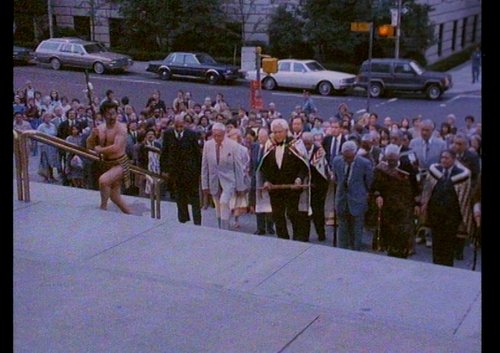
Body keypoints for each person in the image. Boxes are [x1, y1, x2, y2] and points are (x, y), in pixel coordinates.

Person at [258, 119, 310, 242]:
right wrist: (265, 181)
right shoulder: (269, 145)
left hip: (292, 187)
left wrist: (299, 179)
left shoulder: (296, 144)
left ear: (287, 131)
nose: (277, 135)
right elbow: (262, 167)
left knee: (293, 214)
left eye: (280, 132)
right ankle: (282, 240)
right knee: (277, 215)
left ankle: (298, 239)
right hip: (275, 188)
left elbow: (304, 166)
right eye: (275, 132)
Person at [420, 150, 471, 267]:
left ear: (453, 160)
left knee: (448, 246)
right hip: (436, 215)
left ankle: (447, 268)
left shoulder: (461, 174)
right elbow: (428, 190)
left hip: (451, 217)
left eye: (447, 158)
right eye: (442, 157)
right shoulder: (435, 171)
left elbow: (464, 198)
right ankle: (435, 266)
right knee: (436, 244)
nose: (443, 160)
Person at [371, 144, 418, 258]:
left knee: (403, 233)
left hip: (405, 206)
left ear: (398, 158)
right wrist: (378, 196)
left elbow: (415, 186)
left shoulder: (407, 167)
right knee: (389, 234)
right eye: (389, 159)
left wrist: (417, 203)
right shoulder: (381, 169)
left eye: (393, 160)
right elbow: (375, 186)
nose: (391, 162)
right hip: (388, 207)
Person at [86, 101, 132, 214]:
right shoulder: (100, 128)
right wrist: (92, 136)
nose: (111, 117)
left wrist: (100, 150)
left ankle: (103, 208)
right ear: (103, 115)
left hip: (120, 163)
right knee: (115, 197)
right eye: (108, 114)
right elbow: (89, 146)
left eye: (113, 113)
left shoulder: (121, 128)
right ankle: (130, 214)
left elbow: (116, 147)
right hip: (106, 164)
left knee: (103, 181)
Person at [201, 122, 247, 230]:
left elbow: (239, 167)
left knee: (224, 202)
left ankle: (225, 228)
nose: (217, 138)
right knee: (217, 205)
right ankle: (220, 227)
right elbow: (204, 167)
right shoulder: (207, 145)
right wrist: (204, 185)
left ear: (224, 134)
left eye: (219, 135)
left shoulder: (233, 145)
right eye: (215, 135)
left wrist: (240, 187)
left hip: (229, 180)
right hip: (214, 180)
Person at [331, 140, 373, 250]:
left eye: (350, 158)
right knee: (342, 228)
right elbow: (335, 178)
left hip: (358, 200)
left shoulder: (365, 163)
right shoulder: (336, 161)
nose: (347, 160)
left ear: (355, 153)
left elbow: (369, 182)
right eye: (345, 157)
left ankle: (356, 251)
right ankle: (342, 251)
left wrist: (365, 194)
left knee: (357, 229)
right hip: (341, 199)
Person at [161, 115, 202, 225]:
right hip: (176, 172)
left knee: (194, 198)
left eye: (181, 126)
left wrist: (199, 172)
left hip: (191, 172)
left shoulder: (192, 134)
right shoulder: (168, 134)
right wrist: (164, 169)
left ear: (184, 124)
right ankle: (183, 220)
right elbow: (164, 152)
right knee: (180, 196)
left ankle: (197, 222)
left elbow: (198, 154)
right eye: (177, 126)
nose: (179, 129)